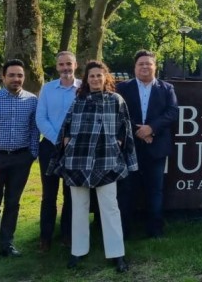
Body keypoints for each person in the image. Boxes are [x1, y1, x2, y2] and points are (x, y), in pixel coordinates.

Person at [48, 60, 137, 273]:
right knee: (78, 207)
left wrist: (120, 144)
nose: (96, 79)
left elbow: (125, 128)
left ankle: (117, 254)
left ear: (106, 77)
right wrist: (67, 141)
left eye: (99, 75)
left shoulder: (116, 100)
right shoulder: (78, 100)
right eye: (91, 76)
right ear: (86, 80)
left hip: (106, 160)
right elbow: (66, 127)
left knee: (110, 208)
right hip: (78, 160)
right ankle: (78, 251)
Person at [116, 50, 179, 238]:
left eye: (148, 64)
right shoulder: (123, 88)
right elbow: (119, 114)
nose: (145, 67)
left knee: (155, 191)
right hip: (129, 148)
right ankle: (124, 232)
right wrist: (140, 132)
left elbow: (172, 112)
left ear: (155, 66)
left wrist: (151, 128)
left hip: (156, 146)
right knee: (127, 190)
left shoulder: (167, 88)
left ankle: (155, 231)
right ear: (135, 67)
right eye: (141, 64)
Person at [0, 59, 39, 263]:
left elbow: (35, 128)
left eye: (20, 75)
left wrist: (32, 153)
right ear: (3, 77)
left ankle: (7, 244)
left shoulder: (32, 100)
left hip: (21, 159)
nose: (16, 79)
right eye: (12, 75)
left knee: (13, 203)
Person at [35, 51, 80, 252]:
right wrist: (58, 139)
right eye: (61, 64)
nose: (65, 68)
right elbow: (40, 118)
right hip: (50, 147)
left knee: (71, 194)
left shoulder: (83, 89)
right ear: (57, 67)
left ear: (75, 65)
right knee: (49, 194)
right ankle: (45, 236)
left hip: (75, 148)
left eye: (68, 64)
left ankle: (67, 235)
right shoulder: (47, 89)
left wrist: (70, 141)